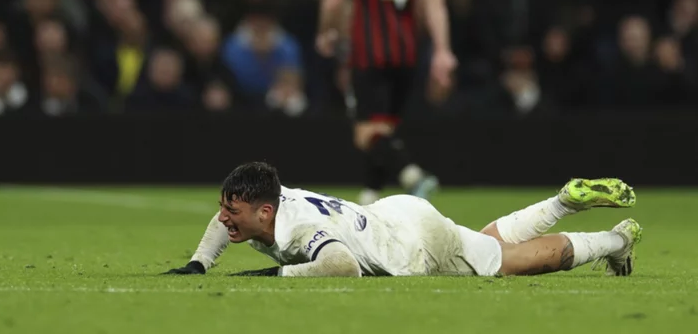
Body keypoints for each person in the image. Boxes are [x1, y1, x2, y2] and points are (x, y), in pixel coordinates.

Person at [163, 162, 642, 278]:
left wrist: (269, 274)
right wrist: (199, 264)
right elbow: (220, 218)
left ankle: (612, 240)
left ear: (265, 211)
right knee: (483, 243)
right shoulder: (270, 197)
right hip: (394, 212)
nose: (225, 217)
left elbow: (341, 266)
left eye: (234, 211)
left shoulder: (297, 229)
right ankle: (563, 203)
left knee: (507, 263)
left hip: (412, 244)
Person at [315, 0, 458, 205]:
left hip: (368, 51)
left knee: (366, 133)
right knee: (385, 129)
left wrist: (325, 31)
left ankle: (411, 175)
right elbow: (435, 5)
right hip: (407, 53)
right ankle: (370, 196)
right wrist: (442, 50)